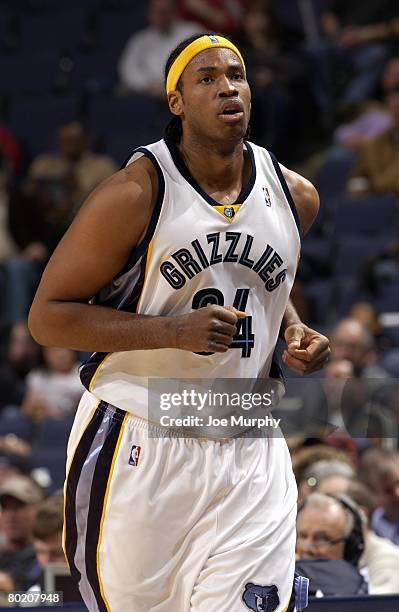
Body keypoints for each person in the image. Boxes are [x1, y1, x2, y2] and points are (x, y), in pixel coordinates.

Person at [29, 33, 330, 611]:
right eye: (208, 78)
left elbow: (261, 275)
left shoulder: (297, 195)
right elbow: (47, 318)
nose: (227, 87)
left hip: (249, 433)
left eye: (236, 74)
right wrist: (169, 333)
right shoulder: (134, 193)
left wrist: (290, 328)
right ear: (177, 101)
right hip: (142, 429)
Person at [118, 0, 201, 97]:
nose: (162, 16)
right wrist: (147, 85)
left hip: (186, 94)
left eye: (165, 11)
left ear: (175, 12)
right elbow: (127, 69)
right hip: (149, 97)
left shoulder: (192, 33)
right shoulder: (140, 40)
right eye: (157, 12)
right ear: (150, 13)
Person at [296, 492, 368, 596]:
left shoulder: (353, 585)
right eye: (302, 536)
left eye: (321, 539)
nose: (306, 548)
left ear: (349, 547)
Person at [0, 475, 43, 591]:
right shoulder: (3, 555)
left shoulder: (47, 556)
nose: (10, 516)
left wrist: (12, 595)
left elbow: (57, 598)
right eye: (5, 508)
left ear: (38, 509)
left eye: (18, 507)